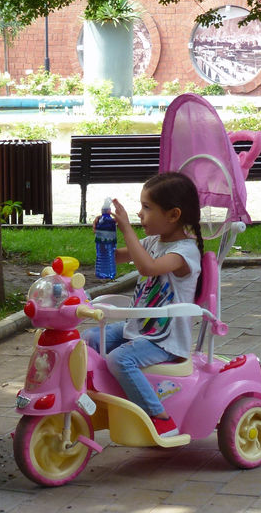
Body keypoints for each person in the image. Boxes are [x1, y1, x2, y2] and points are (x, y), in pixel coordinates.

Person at [83, 172, 203, 437]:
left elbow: (147, 268)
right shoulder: (152, 242)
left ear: (173, 215)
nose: (139, 214)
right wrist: (105, 236)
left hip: (165, 340)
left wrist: (127, 229)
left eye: (147, 208)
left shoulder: (184, 252)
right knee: (88, 339)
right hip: (139, 328)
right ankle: (98, 396)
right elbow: (114, 258)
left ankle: (159, 417)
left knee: (120, 358)